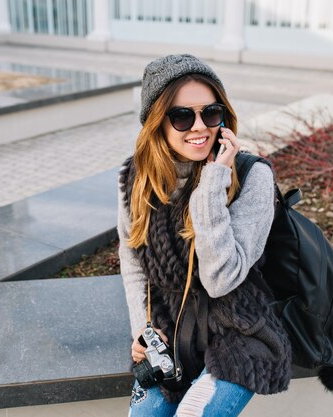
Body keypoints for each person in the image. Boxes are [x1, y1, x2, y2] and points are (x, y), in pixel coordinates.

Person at [118, 54, 292, 417]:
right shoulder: (137, 180)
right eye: (182, 116)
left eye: (210, 113)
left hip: (239, 329)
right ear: (157, 122)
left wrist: (214, 181)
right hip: (172, 332)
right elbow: (133, 263)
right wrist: (143, 331)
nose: (199, 127)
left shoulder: (252, 176)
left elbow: (220, 279)